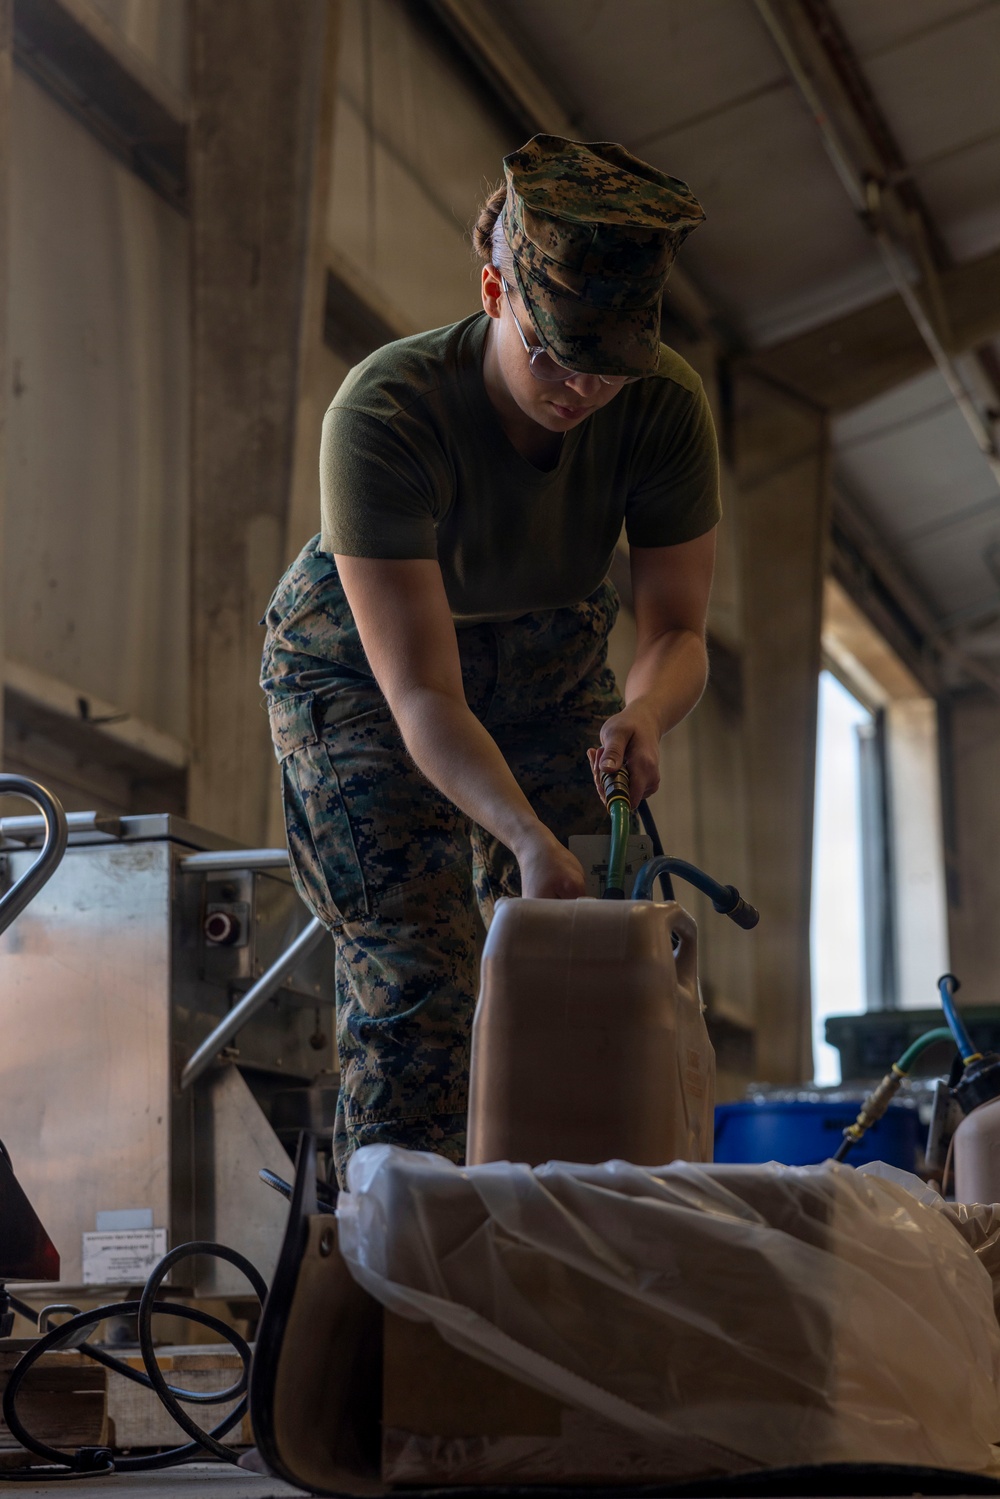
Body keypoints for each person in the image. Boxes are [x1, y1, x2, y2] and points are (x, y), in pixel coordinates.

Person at [260, 134, 720, 1187]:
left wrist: (645, 714)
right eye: (553, 353)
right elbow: (421, 690)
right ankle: (404, 1285)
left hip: (549, 655)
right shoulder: (385, 412)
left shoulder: (661, 406)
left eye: (608, 367)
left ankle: (578, 1270)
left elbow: (677, 632)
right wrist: (519, 834)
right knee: (421, 971)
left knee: (598, 954)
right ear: (491, 290)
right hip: (363, 673)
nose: (579, 388)